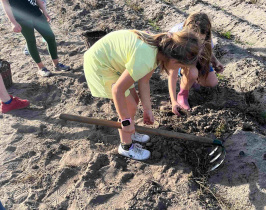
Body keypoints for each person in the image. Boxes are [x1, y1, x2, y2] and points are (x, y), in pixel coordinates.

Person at [84, 29, 203, 160]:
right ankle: (126, 146)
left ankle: (131, 132)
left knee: (134, 101)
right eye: (181, 66)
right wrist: (126, 121)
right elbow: (117, 90)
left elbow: (144, 81)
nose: (178, 70)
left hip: (112, 61)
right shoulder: (146, 57)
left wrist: (148, 110)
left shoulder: (159, 48)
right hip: (100, 65)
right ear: (174, 60)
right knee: (129, 108)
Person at [169, 12, 225, 113]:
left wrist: (215, 61)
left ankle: (193, 81)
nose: (197, 43)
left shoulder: (206, 37)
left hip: (198, 59)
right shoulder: (176, 35)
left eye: (201, 40)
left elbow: (207, 51)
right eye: (193, 39)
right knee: (192, 72)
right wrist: (173, 101)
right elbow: (172, 73)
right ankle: (182, 94)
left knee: (212, 82)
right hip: (182, 60)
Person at [1, 0, 70, 77]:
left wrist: (44, 11)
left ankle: (56, 64)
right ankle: (41, 68)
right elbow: (5, 4)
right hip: (21, 18)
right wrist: (13, 22)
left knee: (50, 37)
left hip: (36, 13)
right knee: (31, 41)